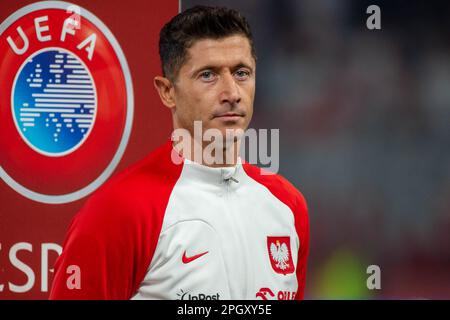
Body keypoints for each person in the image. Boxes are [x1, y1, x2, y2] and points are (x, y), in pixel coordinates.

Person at [49, 5, 309, 300]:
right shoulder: (119, 210)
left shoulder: (288, 206)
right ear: (167, 91)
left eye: (241, 73)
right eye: (208, 75)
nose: (232, 92)